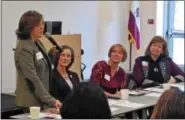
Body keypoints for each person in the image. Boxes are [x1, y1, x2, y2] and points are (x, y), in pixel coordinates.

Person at [14, 10, 61, 110]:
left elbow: (43, 66)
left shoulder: (37, 42)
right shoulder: (25, 48)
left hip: (41, 98)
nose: (42, 27)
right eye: (38, 25)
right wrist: (51, 100)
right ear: (28, 27)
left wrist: (51, 55)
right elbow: (32, 78)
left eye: (43, 23)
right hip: (31, 101)